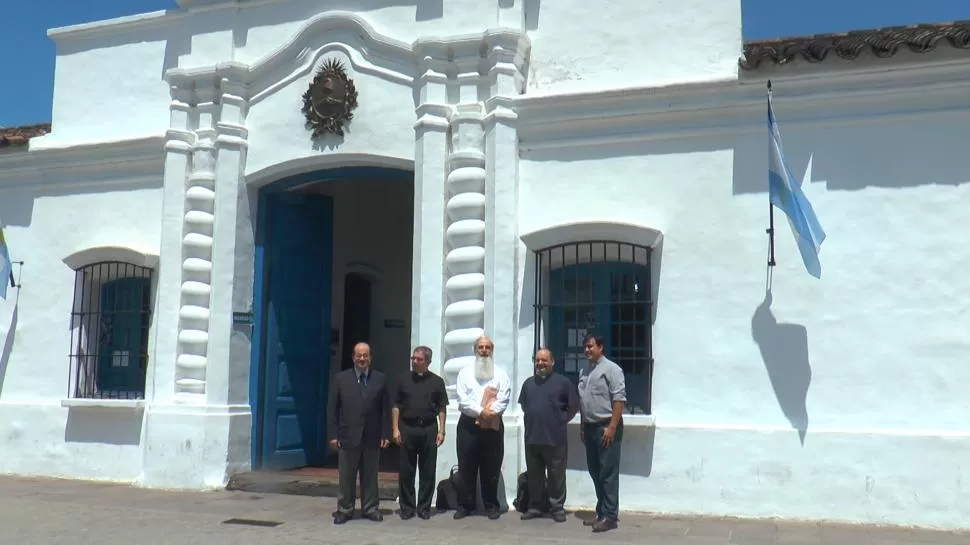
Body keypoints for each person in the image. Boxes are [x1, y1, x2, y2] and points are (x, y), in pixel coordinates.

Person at [327, 342, 391, 524]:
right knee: (346, 476)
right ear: (353, 357)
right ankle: (345, 509)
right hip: (348, 435)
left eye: (365, 355)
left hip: (372, 436)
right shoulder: (341, 378)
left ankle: (370, 508)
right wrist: (333, 435)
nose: (362, 359)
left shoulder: (380, 379)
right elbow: (333, 408)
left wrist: (386, 434)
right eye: (358, 355)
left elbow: (385, 409)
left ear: (370, 357)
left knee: (370, 476)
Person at [517, 348, 579, 523]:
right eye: (537, 360)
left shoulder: (564, 382)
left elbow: (573, 407)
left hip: (555, 438)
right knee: (534, 475)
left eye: (544, 360)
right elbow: (524, 405)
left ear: (552, 362)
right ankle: (535, 506)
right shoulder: (528, 383)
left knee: (556, 475)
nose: (540, 363)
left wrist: (560, 420)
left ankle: (556, 507)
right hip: (532, 438)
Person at [454, 335, 511, 520]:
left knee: (491, 467)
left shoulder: (501, 373)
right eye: (481, 347)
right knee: (466, 466)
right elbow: (462, 400)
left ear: (492, 350)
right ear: (475, 350)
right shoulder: (464, 373)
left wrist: (488, 414)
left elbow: (504, 398)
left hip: (492, 425)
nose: (484, 350)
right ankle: (465, 505)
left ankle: (491, 505)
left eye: (487, 347)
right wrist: (481, 411)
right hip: (468, 426)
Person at [392, 346, 448, 520]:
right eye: (413, 358)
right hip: (407, 428)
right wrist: (395, 428)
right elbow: (396, 406)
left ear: (428, 362)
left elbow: (442, 407)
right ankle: (407, 507)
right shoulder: (402, 379)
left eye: (419, 359)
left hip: (429, 429)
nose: (415, 362)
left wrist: (442, 430)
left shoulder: (437, 382)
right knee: (406, 470)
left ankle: (424, 507)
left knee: (427, 470)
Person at [577, 334, 626, 533]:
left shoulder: (612, 370)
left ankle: (610, 516)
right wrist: (582, 425)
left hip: (606, 427)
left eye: (590, 346)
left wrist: (612, 428)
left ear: (601, 347)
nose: (587, 350)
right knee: (595, 471)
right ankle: (601, 511)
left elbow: (619, 400)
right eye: (585, 347)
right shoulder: (585, 371)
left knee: (608, 473)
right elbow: (584, 401)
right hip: (589, 428)